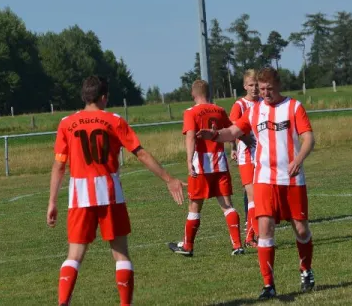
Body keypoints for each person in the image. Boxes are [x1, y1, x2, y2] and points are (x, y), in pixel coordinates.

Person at [47, 76, 185, 306]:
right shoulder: (113, 120)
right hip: (109, 193)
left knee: (74, 256)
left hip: (79, 196)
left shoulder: (66, 123)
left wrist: (52, 201)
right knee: (120, 254)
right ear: (103, 97)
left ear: (84, 96)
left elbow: (59, 165)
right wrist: (168, 179)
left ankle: (63, 303)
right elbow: (140, 153)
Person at [197, 67, 315, 300]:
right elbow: (233, 131)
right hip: (263, 179)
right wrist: (214, 135)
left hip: (291, 179)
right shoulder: (255, 110)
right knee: (265, 229)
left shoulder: (294, 107)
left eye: (269, 89)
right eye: (262, 89)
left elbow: (308, 137)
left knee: (301, 229)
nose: (266, 93)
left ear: (279, 86)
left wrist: (298, 159)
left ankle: (306, 270)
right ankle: (268, 285)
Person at [168, 80, 245, 257]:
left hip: (201, 165)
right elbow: (232, 130)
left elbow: (190, 137)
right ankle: (237, 245)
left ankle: (187, 246)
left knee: (194, 207)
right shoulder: (219, 110)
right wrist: (233, 148)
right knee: (227, 206)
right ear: (209, 93)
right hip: (220, 164)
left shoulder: (191, 112)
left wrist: (189, 161)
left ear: (192, 94)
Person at [230, 69, 262, 248]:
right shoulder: (240, 105)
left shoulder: (262, 103)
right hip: (247, 156)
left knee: (259, 197)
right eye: (251, 85)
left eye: (257, 84)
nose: (254, 88)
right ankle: (252, 237)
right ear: (245, 86)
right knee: (253, 196)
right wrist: (239, 142)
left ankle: (254, 235)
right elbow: (231, 127)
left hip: (262, 156)